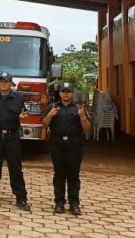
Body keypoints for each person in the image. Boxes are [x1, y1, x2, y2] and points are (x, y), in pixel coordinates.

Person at [0, 72, 31, 211]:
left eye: (5, 81)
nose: (2, 84)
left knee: (15, 168)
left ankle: (21, 198)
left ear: (10, 84)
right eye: (0, 81)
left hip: (11, 137)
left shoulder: (18, 98)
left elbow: (24, 114)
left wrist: (23, 117)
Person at [42, 82, 91, 215]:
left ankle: (74, 203)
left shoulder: (78, 108)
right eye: (63, 91)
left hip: (74, 144)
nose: (65, 94)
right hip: (56, 143)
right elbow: (44, 125)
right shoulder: (52, 107)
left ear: (72, 93)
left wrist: (82, 117)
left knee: (73, 175)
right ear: (59, 93)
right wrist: (50, 115)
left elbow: (87, 128)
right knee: (59, 174)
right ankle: (59, 203)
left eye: (68, 91)